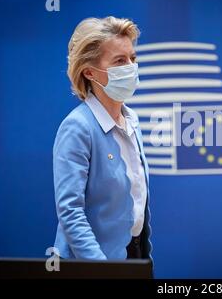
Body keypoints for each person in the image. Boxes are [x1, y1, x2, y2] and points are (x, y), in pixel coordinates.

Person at [52, 16, 151, 260]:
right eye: (120, 60)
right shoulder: (78, 127)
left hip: (134, 254)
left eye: (133, 59)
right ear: (89, 72)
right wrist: (101, 270)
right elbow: (70, 212)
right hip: (92, 264)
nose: (130, 66)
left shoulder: (132, 120)